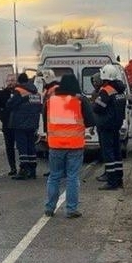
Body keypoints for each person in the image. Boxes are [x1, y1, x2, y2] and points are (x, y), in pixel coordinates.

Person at [44, 73, 93, 217]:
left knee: (54, 176)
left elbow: (45, 122)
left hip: (55, 145)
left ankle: (49, 207)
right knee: (72, 177)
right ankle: (71, 209)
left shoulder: (50, 101)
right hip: (75, 145)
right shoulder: (80, 101)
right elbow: (91, 120)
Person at [92, 64, 128, 189]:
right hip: (116, 125)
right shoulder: (120, 90)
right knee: (117, 153)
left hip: (106, 125)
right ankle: (119, 179)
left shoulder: (106, 90)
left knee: (108, 154)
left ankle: (112, 182)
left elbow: (98, 107)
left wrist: (94, 104)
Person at [6, 72, 43, 179]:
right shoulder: (35, 92)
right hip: (33, 123)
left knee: (22, 147)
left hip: (20, 123)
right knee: (31, 146)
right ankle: (32, 170)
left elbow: (10, 104)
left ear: (19, 81)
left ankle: (23, 170)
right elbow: (39, 107)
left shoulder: (19, 91)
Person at [0, 74, 18, 177]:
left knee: (21, 147)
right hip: (7, 125)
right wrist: (3, 118)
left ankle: (24, 167)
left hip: (19, 125)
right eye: (9, 80)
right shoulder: (2, 94)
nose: (10, 82)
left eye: (13, 80)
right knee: (9, 147)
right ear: (6, 82)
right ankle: (12, 167)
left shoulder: (19, 92)